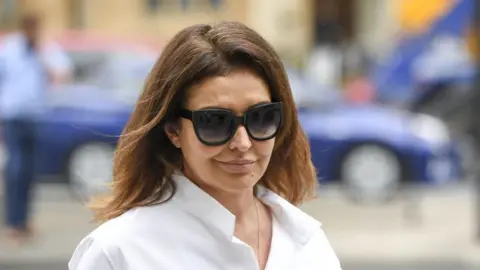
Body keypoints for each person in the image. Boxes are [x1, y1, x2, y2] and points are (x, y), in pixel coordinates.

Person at [69, 22, 341, 269]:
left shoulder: (305, 241)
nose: (243, 143)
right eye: (214, 122)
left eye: (261, 118)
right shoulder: (120, 253)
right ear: (173, 130)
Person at [0, 14, 72, 244]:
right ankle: (13, 222)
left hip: (36, 115)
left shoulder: (46, 49)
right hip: (13, 115)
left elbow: (62, 74)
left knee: (30, 171)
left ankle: (24, 220)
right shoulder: (10, 49)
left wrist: (42, 56)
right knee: (16, 169)